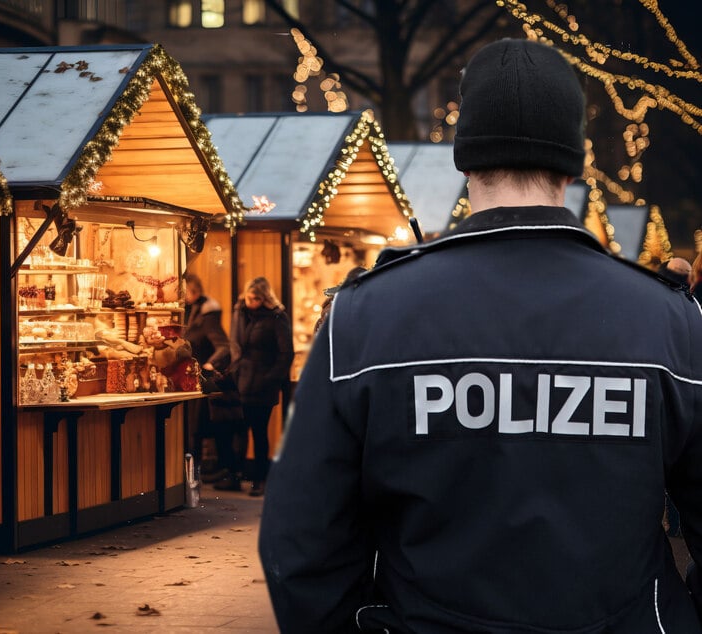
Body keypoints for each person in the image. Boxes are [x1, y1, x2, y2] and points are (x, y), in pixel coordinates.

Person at [259, 38, 702, 633]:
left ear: (464, 160)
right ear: (572, 163)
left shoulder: (365, 317)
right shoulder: (669, 321)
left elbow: (300, 541)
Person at [214, 276, 293, 497]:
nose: (252, 302)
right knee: (238, 431)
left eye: (256, 298)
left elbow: (286, 353)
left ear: (265, 298)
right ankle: (236, 476)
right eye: (249, 297)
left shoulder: (277, 317)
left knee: (258, 431)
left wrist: (271, 378)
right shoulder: (239, 312)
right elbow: (235, 345)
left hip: (262, 384)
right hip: (241, 380)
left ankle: (260, 479)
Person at [181, 273, 232, 479]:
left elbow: (224, 346)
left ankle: (194, 475)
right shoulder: (188, 312)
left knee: (196, 429)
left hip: (200, 380)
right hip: (187, 379)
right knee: (193, 429)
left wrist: (210, 364)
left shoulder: (206, 316)